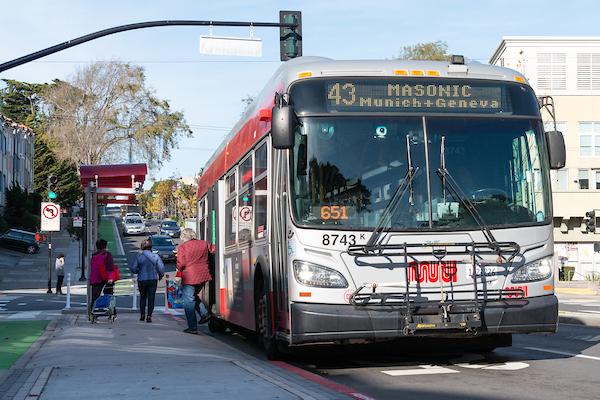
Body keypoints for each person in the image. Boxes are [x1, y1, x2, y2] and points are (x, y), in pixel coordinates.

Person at [176, 228, 212, 334]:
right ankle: (204, 313)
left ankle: (192, 327)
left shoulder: (183, 247)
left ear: (184, 237)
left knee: (188, 302)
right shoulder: (204, 243)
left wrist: (178, 266)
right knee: (192, 296)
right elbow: (213, 250)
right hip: (203, 275)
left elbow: (181, 263)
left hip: (190, 277)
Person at [130, 238, 165, 323]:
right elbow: (161, 268)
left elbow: (133, 268)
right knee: (151, 298)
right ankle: (149, 316)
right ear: (151, 247)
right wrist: (160, 275)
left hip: (142, 279)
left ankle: (142, 315)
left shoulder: (139, 256)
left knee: (142, 297)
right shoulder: (155, 256)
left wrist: (139, 271)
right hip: (153, 279)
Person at [89, 239, 115, 314]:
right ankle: (111, 312)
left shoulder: (94, 256)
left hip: (95, 279)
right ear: (105, 246)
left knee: (95, 298)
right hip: (105, 278)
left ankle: (93, 312)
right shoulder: (107, 254)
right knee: (108, 296)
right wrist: (111, 278)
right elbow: (110, 267)